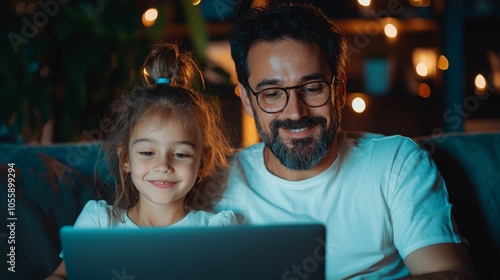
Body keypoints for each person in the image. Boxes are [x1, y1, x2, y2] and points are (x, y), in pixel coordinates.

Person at [215, 2, 475, 279]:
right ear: (247, 99)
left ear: (339, 90)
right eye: (272, 93)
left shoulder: (396, 162)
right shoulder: (217, 179)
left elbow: (451, 274)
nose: (295, 112)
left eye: (313, 88)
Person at [46, 43, 238, 280]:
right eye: (147, 153)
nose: (163, 166)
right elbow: (62, 276)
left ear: (202, 162)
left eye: (180, 154)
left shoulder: (216, 231)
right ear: (125, 159)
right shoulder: (99, 223)